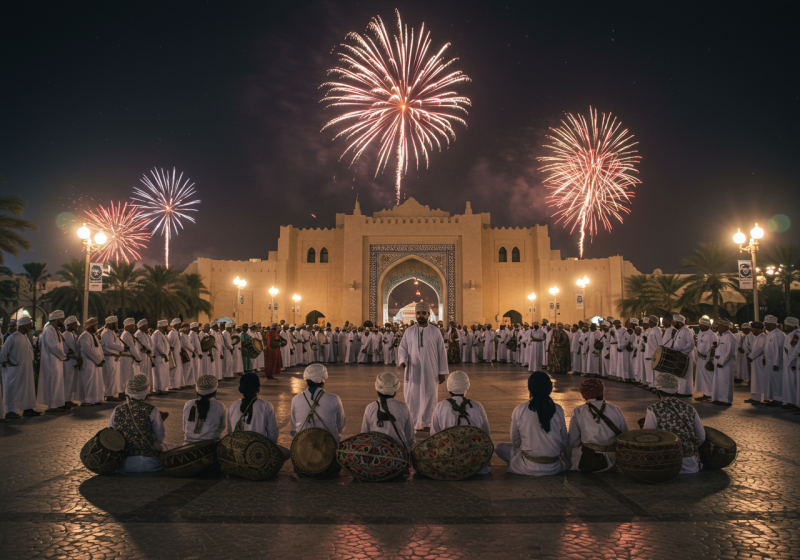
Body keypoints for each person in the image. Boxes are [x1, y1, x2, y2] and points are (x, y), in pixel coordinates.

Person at [495, 372, 569, 475]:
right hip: (554, 466)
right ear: (550, 388)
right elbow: (564, 440)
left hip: (527, 465)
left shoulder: (520, 409)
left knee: (499, 447)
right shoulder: (558, 409)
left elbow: (516, 442)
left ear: (530, 389)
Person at [397, 301, 449, 432]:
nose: (420, 315)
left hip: (430, 371)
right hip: (413, 370)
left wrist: (442, 372)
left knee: (429, 395)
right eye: (418, 313)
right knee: (412, 397)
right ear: (415, 314)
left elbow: (442, 353)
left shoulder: (435, 332)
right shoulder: (409, 331)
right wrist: (403, 360)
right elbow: (402, 348)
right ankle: (413, 421)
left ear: (428, 314)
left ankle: (426, 422)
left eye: (423, 313)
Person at [109, 374, 176, 472]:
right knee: (170, 447)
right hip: (149, 463)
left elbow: (112, 433)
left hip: (123, 464)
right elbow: (160, 437)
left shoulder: (117, 410)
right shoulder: (152, 410)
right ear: (145, 392)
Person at [643, 373, 706, 474]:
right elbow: (701, 437)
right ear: (676, 390)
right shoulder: (690, 408)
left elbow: (647, 439)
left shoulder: (653, 409)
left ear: (658, 390)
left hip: (665, 466)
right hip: (691, 465)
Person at [431, 370, 491, 474]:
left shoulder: (440, 407)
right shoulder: (477, 406)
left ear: (448, 386)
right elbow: (486, 435)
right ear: (467, 386)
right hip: (475, 464)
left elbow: (434, 437)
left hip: (449, 463)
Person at [568, 379, 629, 472]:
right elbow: (624, 436)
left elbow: (573, 442)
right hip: (612, 461)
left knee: (567, 446)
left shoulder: (578, 411)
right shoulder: (615, 409)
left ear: (583, 393)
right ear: (602, 391)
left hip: (589, 460)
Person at [228, 372, 290, 459]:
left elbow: (230, 433)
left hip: (239, 454)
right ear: (258, 388)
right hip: (260, 454)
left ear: (240, 389)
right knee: (287, 453)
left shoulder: (233, 406)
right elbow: (273, 434)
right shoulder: (266, 406)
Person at [290, 364, 346, 443]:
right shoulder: (334, 399)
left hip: (303, 446)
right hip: (329, 444)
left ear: (306, 381)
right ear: (323, 380)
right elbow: (340, 426)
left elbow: (293, 429)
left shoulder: (296, 399)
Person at [360, 372, 415, 449]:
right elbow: (410, 438)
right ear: (395, 391)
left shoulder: (370, 408)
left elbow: (364, 435)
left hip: (377, 454)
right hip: (399, 454)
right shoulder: (403, 407)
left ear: (377, 390)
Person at [1, 316, 38, 419]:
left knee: (28, 389)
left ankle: (28, 409)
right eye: (29, 325)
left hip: (27, 369)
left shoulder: (26, 337)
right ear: (23, 326)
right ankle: (10, 411)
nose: (31, 327)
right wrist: (8, 363)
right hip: (15, 370)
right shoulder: (13, 337)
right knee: (13, 390)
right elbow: (3, 353)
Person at [38, 310, 68, 413]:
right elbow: (52, 346)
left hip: (57, 361)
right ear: (57, 319)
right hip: (51, 361)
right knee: (53, 383)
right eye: (62, 319)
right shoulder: (49, 330)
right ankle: (52, 406)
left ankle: (58, 404)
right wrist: (64, 356)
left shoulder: (56, 330)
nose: (63, 321)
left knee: (58, 383)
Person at [182, 374, 226, 444]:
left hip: (188, 445)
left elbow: (185, 428)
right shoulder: (220, 406)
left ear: (197, 390)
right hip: (210, 446)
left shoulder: (188, 404)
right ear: (215, 390)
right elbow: (221, 427)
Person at [664, 314, 695, 397]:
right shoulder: (678, 331)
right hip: (679, 356)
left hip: (685, 356)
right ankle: (680, 391)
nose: (673, 324)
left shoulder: (687, 331)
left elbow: (691, 344)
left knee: (686, 375)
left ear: (680, 323)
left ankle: (687, 392)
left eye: (674, 322)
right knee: (680, 374)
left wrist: (683, 352)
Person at [77, 317, 105, 406]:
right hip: (88, 362)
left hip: (96, 363)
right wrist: (98, 360)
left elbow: (100, 349)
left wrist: (102, 359)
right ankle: (86, 400)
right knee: (87, 381)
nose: (97, 327)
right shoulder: (84, 336)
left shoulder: (93, 336)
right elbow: (88, 350)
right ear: (90, 326)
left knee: (96, 382)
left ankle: (95, 399)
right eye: (95, 325)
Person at [710, 318, 736, 405]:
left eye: (720, 326)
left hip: (725, 364)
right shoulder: (720, 336)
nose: (718, 327)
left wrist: (721, 362)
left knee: (725, 382)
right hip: (718, 363)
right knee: (718, 381)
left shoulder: (731, 337)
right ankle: (718, 398)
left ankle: (726, 400)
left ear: (725, 327)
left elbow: (729, 352)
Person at [100, 316, 126, 402]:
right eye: (115, 323)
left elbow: (117, 343)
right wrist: (122, 349)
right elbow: (110, 345)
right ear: (109, 324)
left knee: (114, 377)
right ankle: (108, 394)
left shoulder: (112, 332)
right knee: (109, 376)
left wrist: (120, 349)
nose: (116, 325)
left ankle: (113, 394)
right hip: (109, 357)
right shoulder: (106, 333)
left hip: (114, 357)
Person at [694, 317, 718, 402]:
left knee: (708, 377)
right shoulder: (701, 332)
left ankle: (710, 394)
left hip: (707, 358)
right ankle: (705, 393)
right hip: (700, 358)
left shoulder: (712, 335)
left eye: (701, 325)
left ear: (706, 325)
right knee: (702, 377)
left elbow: (714, 348)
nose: (700, 326)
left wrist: (711, 360)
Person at [764, 315, 786, 406]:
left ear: (773, 325)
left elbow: (779, 350)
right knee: (772, 381)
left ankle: (778, 399)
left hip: (776, 364)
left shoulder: (778, 334)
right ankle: (773, 398)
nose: (766, 327)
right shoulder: (770, 334)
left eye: (768, 325)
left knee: (777, 381)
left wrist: (776, 363)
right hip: (770, 363)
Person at [745, 322, 767, 404]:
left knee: (758, 380)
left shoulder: (762, 337)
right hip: (755, 361)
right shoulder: (757, 337)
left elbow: (760, 348)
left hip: (759, 361)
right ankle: (755, 397)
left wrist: (751, 356)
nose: (751, 330)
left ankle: (758, 398)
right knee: (755, 380)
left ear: (758, 329)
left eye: (753, 329)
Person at [62, 316, 81, 407]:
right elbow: (72, 348)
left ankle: (69, 399)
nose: (76, 325)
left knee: (71, 381)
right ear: (68, 325)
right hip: (68, 361)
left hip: (72, 361)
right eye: (74, 323)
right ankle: (65, 400)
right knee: (67, 381)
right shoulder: (66, 335)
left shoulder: (72, 334)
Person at [782, 318, 800, 410]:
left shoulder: (796, 335)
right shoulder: (790, 335)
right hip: (788, 363)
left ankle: (796, 403)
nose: (786, 327)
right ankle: (790, 401)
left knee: (794, 384)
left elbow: (795, 350)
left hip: (793, 363)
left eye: (787, 325)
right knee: (789, 383)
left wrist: (791, 362)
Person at [151, 320, 172, 394]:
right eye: (165, 326)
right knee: (159, 374)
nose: (167, 327)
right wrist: (163, 354)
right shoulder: (157, 333)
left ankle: (163, 388)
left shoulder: (163, 334)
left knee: (164, 374)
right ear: (161, 326)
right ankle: (158, 389)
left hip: (164, 357)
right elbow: (158, 345)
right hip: (159, 357)